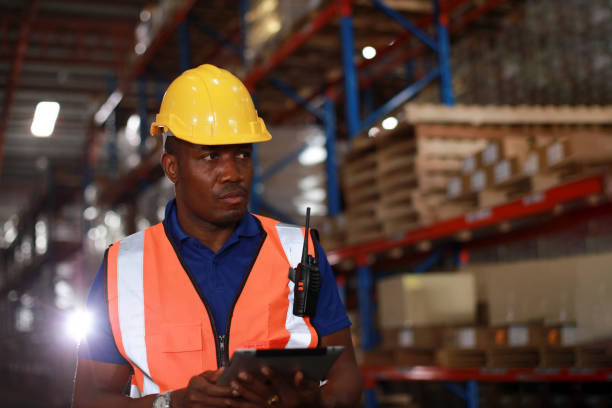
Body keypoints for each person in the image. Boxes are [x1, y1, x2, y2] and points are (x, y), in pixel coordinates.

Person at [72, 64, 363, 408]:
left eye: (243, 154)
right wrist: (172, 403)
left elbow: (347, 378)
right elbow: (88, 399)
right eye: (211, 156)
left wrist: (305, 403)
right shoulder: (124, 267)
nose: (232, 172)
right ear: (172, 167)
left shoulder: (299, 252)